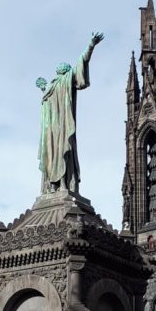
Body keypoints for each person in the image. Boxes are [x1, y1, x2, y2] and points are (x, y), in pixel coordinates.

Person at [37, 31, 103, 193]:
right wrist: (90, 46)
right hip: (52, 132)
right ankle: (56, 184)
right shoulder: (51, 88)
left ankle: (60, 184)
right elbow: (82, 61)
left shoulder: (63, 82)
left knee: (60, 153)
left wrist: (90, 46)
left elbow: (82, 61)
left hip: (61, 127)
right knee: (54, 155)